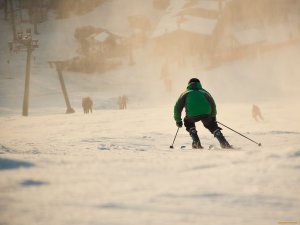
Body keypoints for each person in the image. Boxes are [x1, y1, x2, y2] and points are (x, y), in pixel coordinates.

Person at [173, 78, 232, 149]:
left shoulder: (185, 93)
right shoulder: (204, 92)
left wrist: (178, 120)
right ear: (199, 84)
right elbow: (213, 104)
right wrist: (213, 117)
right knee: (211, 125)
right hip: (206, 113)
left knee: (188, 122)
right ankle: (224, 143)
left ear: (189, 84)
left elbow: (177, 107)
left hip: (192, 115)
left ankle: (196, 142)